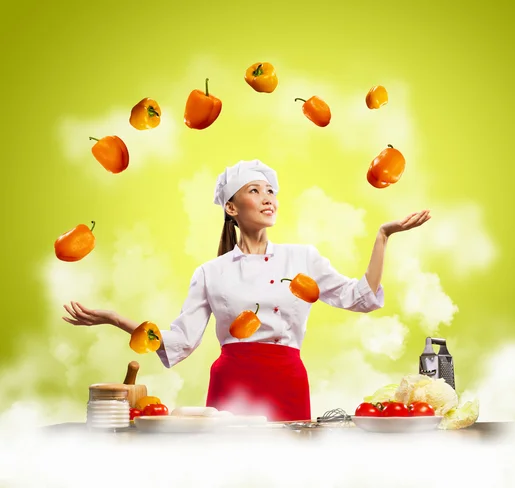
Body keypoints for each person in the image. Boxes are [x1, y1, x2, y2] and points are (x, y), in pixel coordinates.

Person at [63, 159, 431, 421]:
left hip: (287, 380)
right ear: (231, 207)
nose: (268, 197)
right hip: (232, 385)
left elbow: (361, 298)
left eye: (271, 190)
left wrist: (382, 237)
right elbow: (178, 343)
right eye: (255, 191)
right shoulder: (210, 272)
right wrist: (115, 319)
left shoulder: (303, 258)